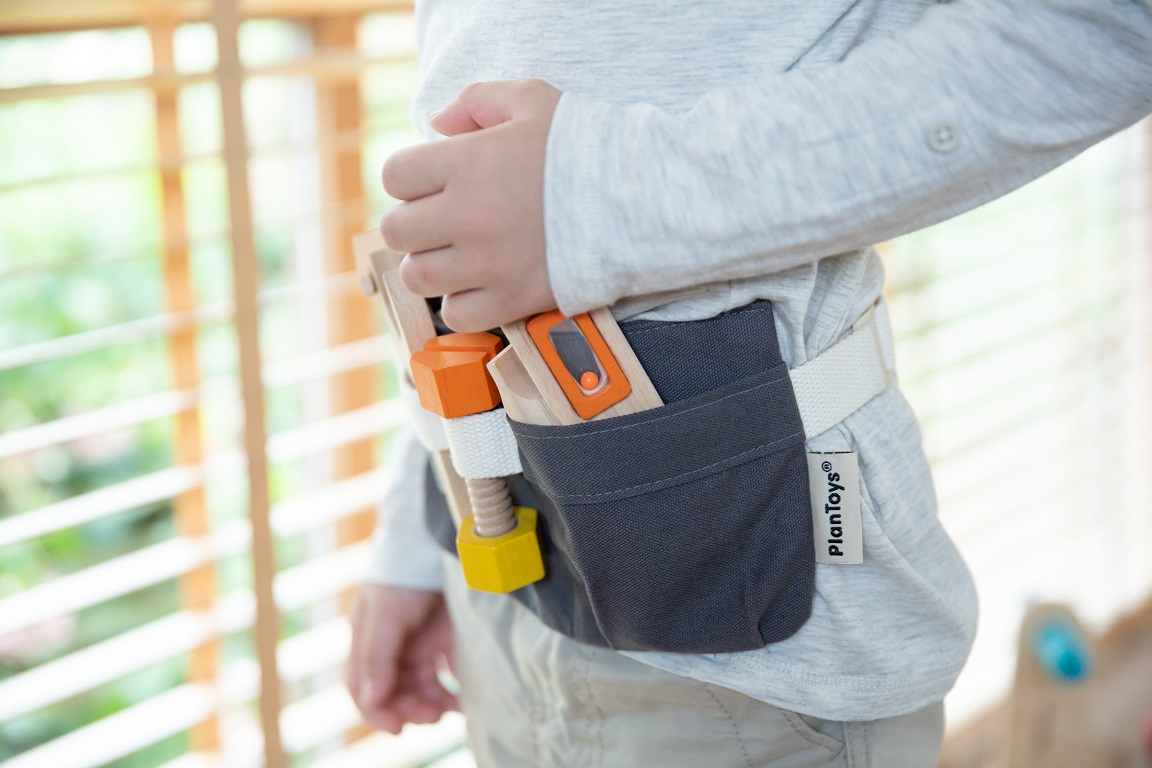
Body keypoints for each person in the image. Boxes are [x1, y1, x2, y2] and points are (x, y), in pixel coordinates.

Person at [346, 0, 1152, 765]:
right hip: (494, 581)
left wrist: (609, 198)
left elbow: (1112, 30)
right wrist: (420, 523)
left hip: (753, 665)